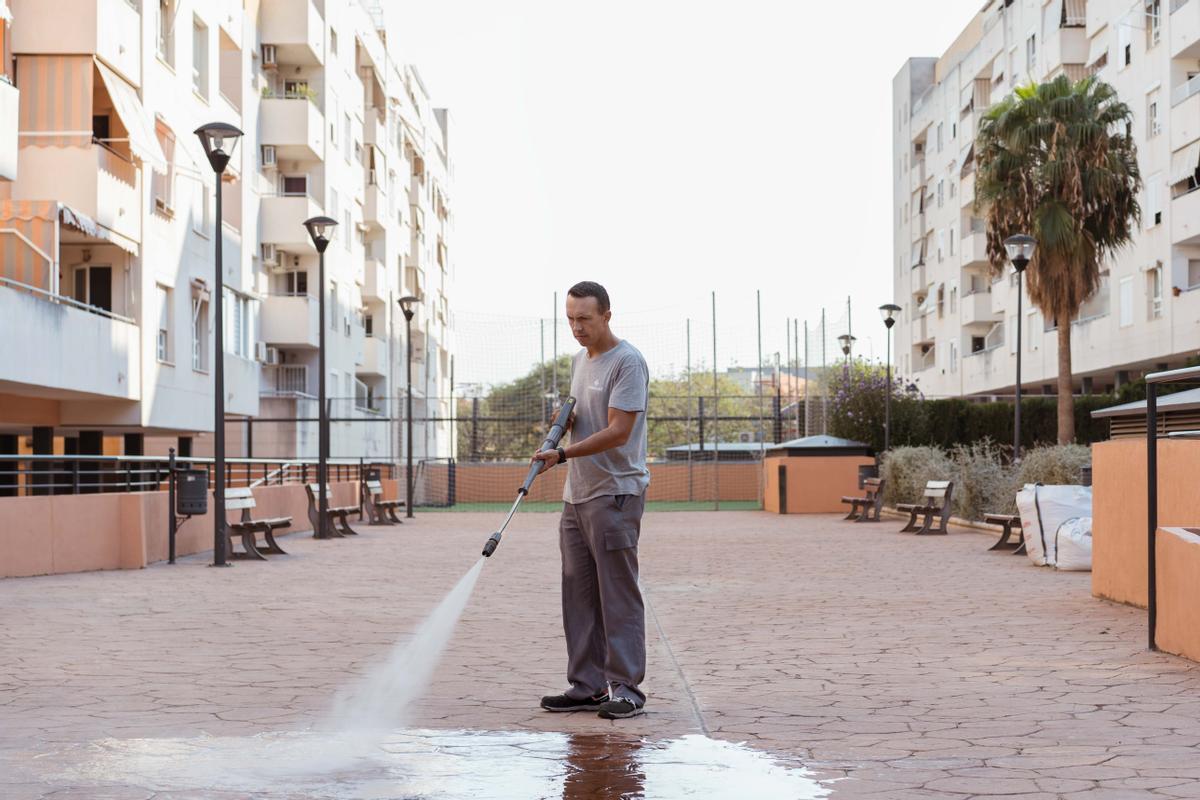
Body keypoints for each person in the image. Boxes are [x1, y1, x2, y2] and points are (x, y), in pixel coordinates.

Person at [531, 281, 650, 719]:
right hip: (576, 498)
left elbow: (619, 430)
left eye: (584, 318)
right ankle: (588, 685)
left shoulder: (628, 362)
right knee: (578, 594)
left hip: (615, 495)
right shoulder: (581, 360)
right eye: (570, 319)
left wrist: (562, 453)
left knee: (616, 595)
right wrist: (563, 424)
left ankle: (627, 690)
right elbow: (585, 413)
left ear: (606, 316)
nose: (577, 327)